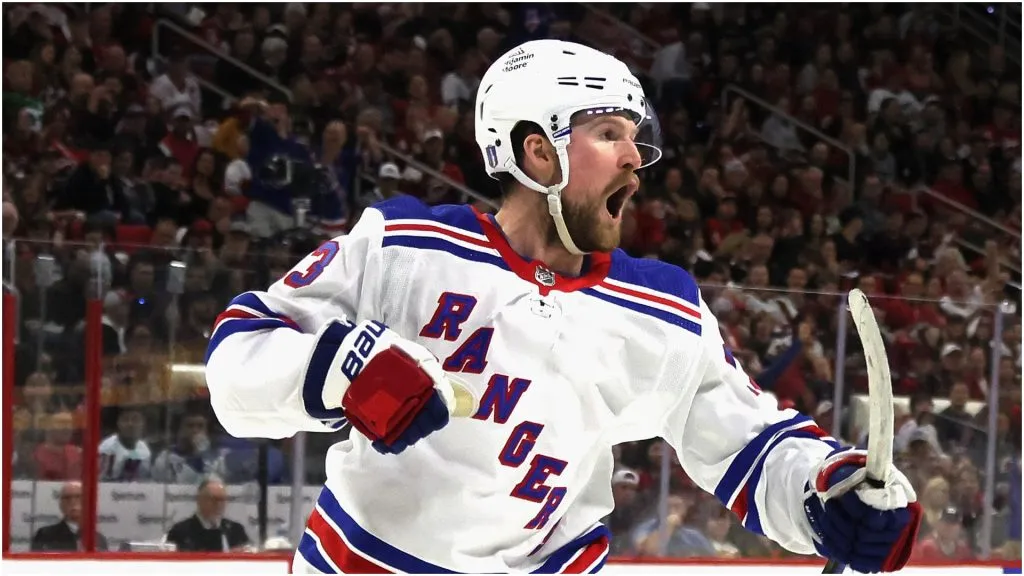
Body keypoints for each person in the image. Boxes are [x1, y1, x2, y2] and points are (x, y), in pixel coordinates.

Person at [205, 40, 920, 574]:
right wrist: (341, 370)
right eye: (610, 133)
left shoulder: (660, 309)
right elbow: (238, 365)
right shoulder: (405, 247)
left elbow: (751, 443)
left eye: (637, 138)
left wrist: (832, 492)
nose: (636, 157)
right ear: (536, 153)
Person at [164, 478, 250, 552]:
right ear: (200, 500)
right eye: (215, 499)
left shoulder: (236, 531)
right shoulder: (180, 532)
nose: (219, 504)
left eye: (223, 499)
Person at [30, 481, 109, 551]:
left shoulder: (98, 539)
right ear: (61, 505)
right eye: (67, 498)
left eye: (78, 497)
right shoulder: (45, 536)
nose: (73, 502)